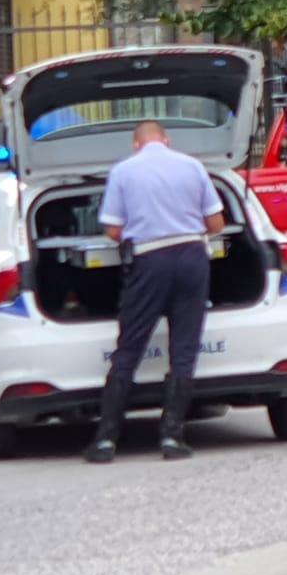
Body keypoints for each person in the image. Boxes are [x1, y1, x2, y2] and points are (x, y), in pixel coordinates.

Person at [84, 121, 225, 463]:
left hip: (150, 261)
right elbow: (216, 224)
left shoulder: (123, 171)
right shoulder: (193, 166)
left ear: (136, 144)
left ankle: (105, 441)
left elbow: (114, 229)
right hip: (192, 257)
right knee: (184, 348)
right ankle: (173, 437)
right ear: (166, 140)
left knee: (130, 346)